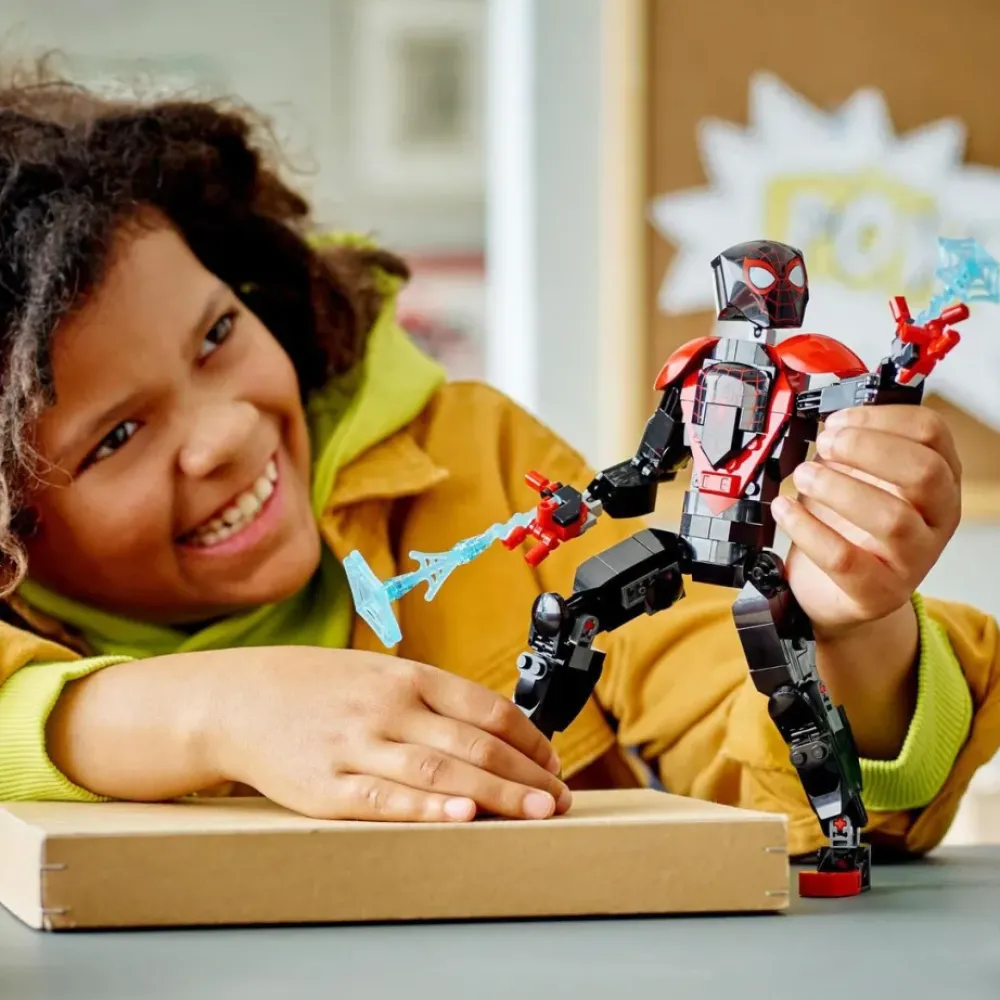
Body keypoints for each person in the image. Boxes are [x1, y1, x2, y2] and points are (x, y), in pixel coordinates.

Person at [0, 70, 997, 862]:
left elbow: (786, 793)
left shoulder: (468, 457)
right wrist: (205, 714)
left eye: (218, 334)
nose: (222, 434)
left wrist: (849, 628)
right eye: (115, 438)